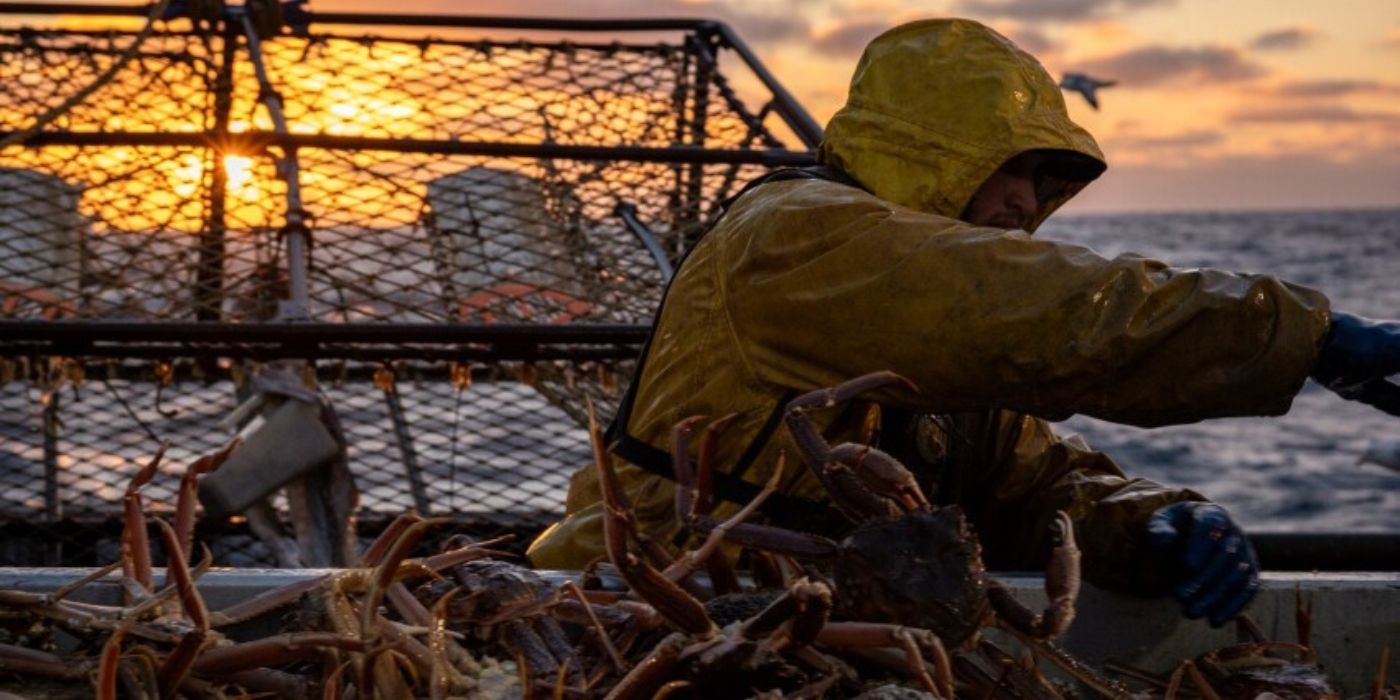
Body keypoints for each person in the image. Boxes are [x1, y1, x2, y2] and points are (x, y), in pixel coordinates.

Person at [527, 18, 1400, 627]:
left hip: (834, 626)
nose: (1028, 202)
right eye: (1009, 169)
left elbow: (1027, 484)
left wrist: (1150, 521)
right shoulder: (792, 238)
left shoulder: (942, 340)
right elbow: (1034, 312)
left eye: (1044, 180)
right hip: (636, 614)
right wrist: (1303, 336)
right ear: (926, 153)